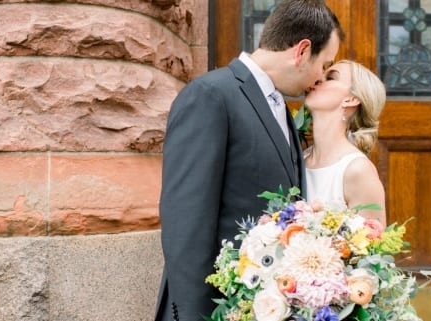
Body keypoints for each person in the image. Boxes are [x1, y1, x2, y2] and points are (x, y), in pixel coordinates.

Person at [155, 1, 345, 320]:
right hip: (212, 308)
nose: (321, 78)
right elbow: (186, 221)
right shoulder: (211, 95)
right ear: (301, 50)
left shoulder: (283, 109)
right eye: (324, 65)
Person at [303, 60, 387, 226]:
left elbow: (375, 249)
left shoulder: (358, 170)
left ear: (351, 99)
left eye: (331, 77)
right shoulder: (300, 159)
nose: (318, 78)